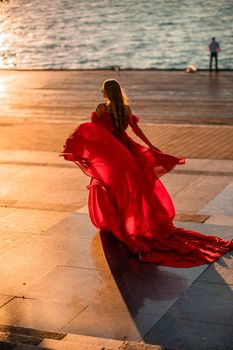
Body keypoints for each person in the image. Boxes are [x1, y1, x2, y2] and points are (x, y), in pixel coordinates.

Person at [60, 79, 233, 268]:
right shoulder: (125, 109)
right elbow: (136, 130)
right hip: (127, 153)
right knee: (133, 190)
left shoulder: (101, 108)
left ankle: (120, 225)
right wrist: (151, 146)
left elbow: (96, 133)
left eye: (103, 91)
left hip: (112, 154)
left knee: (111, 189)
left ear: (106, 93)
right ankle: (133, 224)